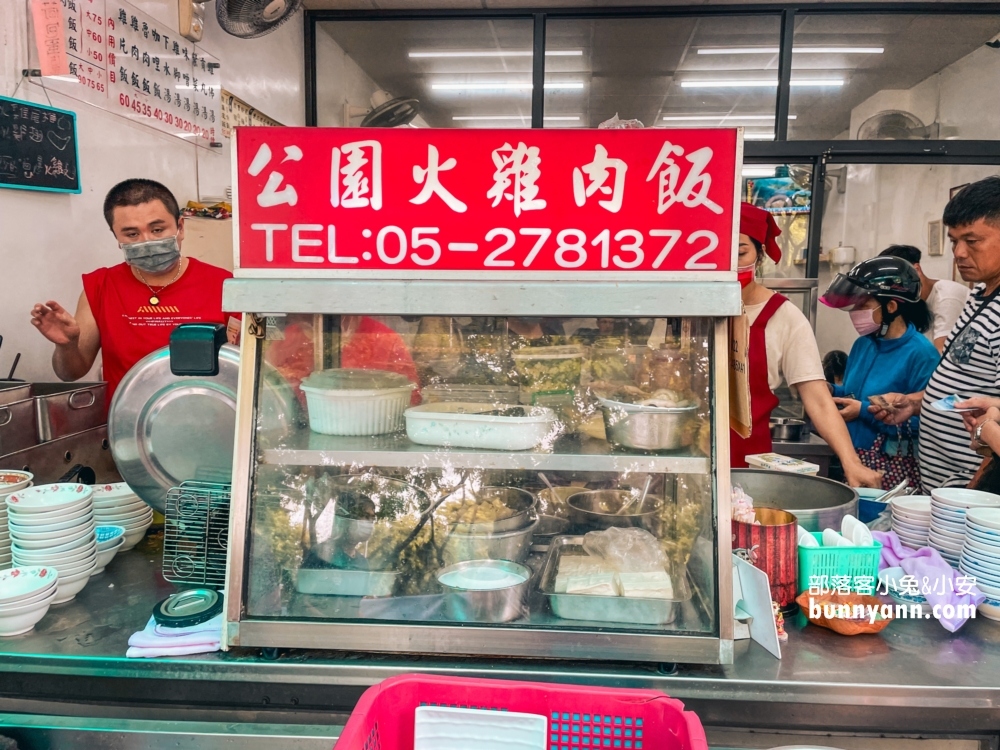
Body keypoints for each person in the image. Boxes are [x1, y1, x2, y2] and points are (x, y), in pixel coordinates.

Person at [30, 179, 235, 402]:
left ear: (181, 227)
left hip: (212, 421)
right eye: (132, 234)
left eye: (157, 229)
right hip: (128, 427)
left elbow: (248, 366)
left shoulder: (224, 284)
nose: (147, 241)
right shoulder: (101, 286)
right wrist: (67, 346)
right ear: (117, 238)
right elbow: (70, 374)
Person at [732, 202, 881, 487]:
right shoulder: (688, 310)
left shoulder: (782, 316)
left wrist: (851, 463)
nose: (730, 264)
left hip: (747, 459)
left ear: (760, 254)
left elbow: (817, 397)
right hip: (684, 450)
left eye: (740, 253)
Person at [869, 177, 1000, 490]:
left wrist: (974, 492)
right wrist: (916, 403)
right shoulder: (979, 295)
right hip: (942, 485)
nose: (959, 252)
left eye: (972, 241)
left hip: (972, 495)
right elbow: (967, 382)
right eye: (954, 240)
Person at [819, 256, 939, 489]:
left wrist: (863, 411)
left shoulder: (922, 354)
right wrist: (832, 390)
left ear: (891, 306)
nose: (855, 312)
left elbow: (925, 422)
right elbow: (856, 392)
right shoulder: (863, 344)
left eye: (863, 305)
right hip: (854, 456)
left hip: (890, 466)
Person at [879, 244, 969, 352]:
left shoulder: (947, 297)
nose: (893, 287)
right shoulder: (910, 301)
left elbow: (942, 355)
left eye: (896, 280)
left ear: (916, 270)